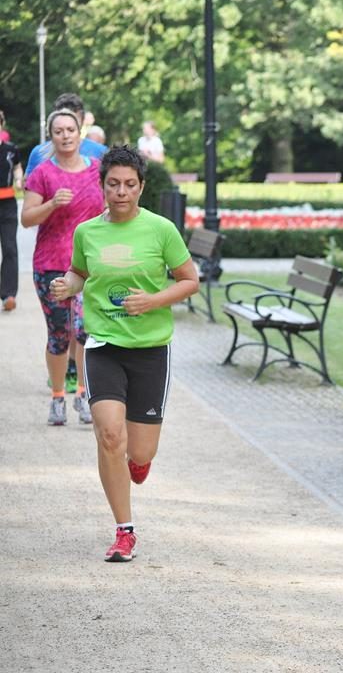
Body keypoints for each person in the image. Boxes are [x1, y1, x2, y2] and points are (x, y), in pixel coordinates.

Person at [50, 145, 198, 562]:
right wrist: (67, 285)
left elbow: (189, 280)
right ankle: (124, 531)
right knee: (110, 435)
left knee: (141, 452)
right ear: (102, 186)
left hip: (151, 350)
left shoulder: (161, 230)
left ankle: (138, 462)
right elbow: (79, 273)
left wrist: (152, 300)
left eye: (129, 185)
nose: (121, 192)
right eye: (113, 184)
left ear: (141, 187)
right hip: (103, 345)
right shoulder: (87, 232)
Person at [21, 109, 104, 426]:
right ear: (51, 136)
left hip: (90, 266)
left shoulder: (97, 170)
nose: (65, 135)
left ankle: (83, 395)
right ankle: (58, 397)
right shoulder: (42, 173)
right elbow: (26, 218)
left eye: (70, 129)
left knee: (85, 331)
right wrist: (52, 203)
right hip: (52, 265)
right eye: (59, 131)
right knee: (59, 334)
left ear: (79, 132)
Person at [24, 93, 108, 178]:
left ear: (82, 121)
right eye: (60, 127)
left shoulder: (101, 152)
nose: (66, 134)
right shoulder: (40, 153)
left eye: (71, 127)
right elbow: (28, 184)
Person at [0, 110, 24, 312]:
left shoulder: (11, 149)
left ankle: (8, 295)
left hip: (7, 203)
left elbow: (17, 167)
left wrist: (18, 178)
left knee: (9, 248)